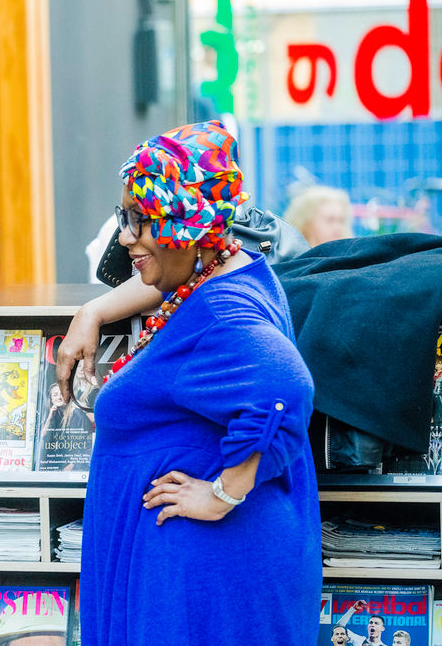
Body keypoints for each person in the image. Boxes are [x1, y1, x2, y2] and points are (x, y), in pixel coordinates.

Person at [75, 121, 322, 644]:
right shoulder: (231, 268)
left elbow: (287, 386)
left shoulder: (223, 312)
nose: (124, 237)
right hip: (199, 581)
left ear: (185, 228)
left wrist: (220, 495)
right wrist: (94, 310)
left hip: (202, 587)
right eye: (125, 218)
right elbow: (188, 289)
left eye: (140, 222)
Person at [283, 184, 354, 247]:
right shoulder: (289, 259)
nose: (338, 228)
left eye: (341, 221)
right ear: (306, 223)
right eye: (330, 220)